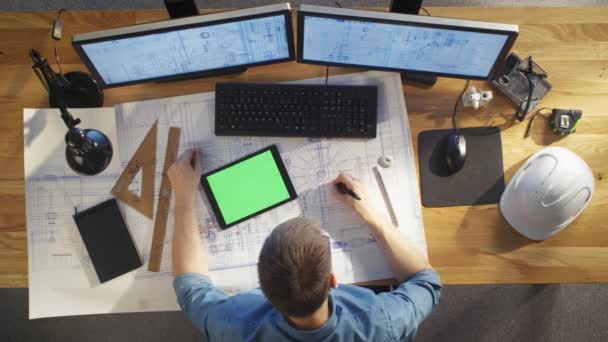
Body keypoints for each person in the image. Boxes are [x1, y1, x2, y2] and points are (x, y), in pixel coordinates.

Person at [168, 149, 442, 342]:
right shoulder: (383, 322)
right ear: (333, 280)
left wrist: (183, 198)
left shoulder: (232, 327)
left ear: (261, 288)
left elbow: (190, 287)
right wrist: (371, 213)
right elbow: (426, 281)